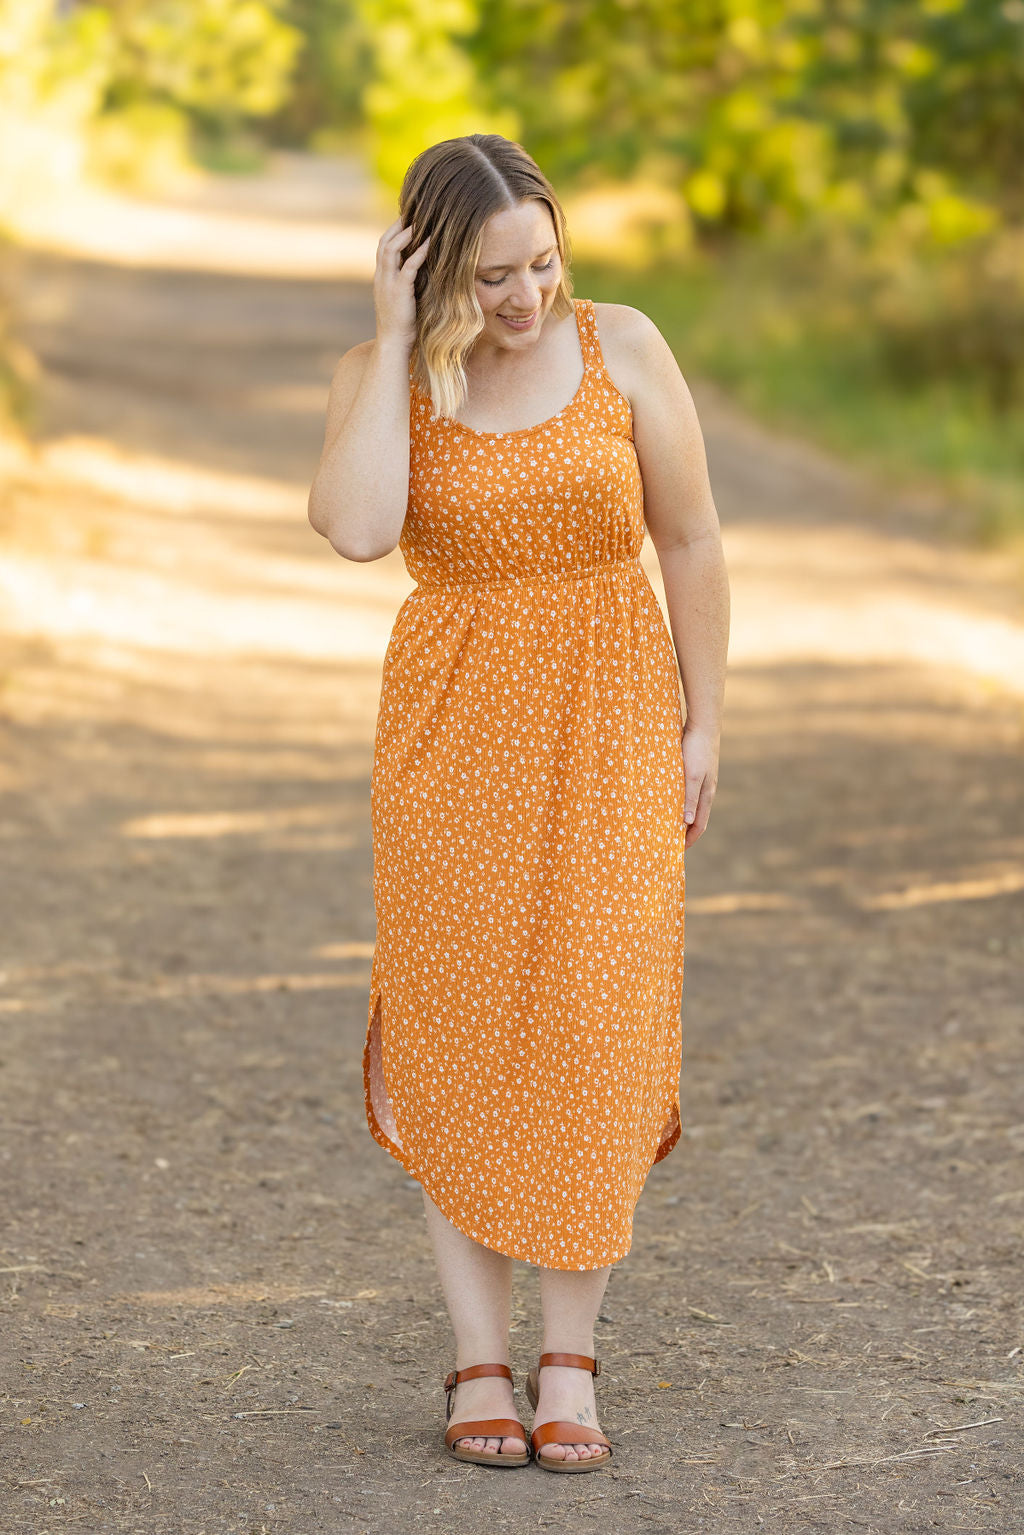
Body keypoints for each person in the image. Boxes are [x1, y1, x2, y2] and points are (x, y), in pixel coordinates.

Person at [308, 133, 729, 1473]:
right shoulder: (387, 380)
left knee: (595, 1030)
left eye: (543, 262)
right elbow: (361, 529)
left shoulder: (628, 348)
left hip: (611, 724)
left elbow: (692, 538)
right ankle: (479, 1357)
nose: (526, 297)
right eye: (491, 276)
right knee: (464, 1034)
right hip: (452, 744)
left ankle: (571, 1361)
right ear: (432, 268)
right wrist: (392, 334)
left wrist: (704, 717)